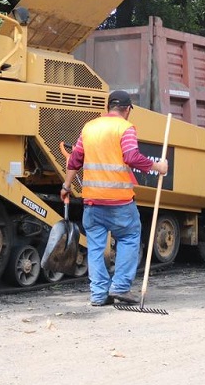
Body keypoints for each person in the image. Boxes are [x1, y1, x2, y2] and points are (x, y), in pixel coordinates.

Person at [61, 90, 168, 306]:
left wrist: (66, 186)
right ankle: (119, 287)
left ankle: (99, 295)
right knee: (129, 237)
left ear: (108, 107)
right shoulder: (125, 128)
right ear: (127, 109)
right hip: (120, 203)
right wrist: (158, 166)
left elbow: (74, 160)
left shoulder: (89, 128)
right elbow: (131, 156)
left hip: (92, 202)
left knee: (96, 246)